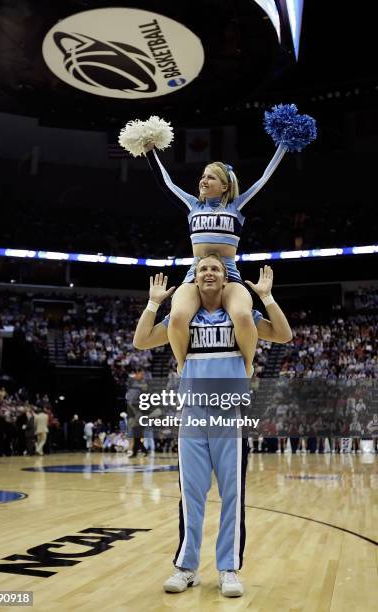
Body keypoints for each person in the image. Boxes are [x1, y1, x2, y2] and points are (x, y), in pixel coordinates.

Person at [133, 255, 292, 597]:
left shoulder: (242, 317)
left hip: (227, 415)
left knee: (231, 495)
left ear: (225, 280)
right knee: (191, 496)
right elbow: (141, 340)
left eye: (215, 269)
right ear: (196, 277)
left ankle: (228, 568)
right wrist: (153, 303)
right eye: (203, 268)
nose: (208, 273)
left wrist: (266, 296)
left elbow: (283, 334)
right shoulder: (184, 319)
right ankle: (186, 567)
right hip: (191, 414)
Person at [144, 139, 286, 376]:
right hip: (196, 274)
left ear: (224, 186)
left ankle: (247, 366)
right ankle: (182, 364)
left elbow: (264, 180)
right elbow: (165, 183)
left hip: (229, 275)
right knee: (178, 316)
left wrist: (283, 146)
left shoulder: (237, 207)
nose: (203, 180)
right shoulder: (192, 206)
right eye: (203, 176)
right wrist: (150, 151)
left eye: (210, 177)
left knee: (242, 315)